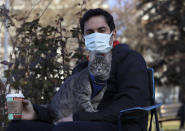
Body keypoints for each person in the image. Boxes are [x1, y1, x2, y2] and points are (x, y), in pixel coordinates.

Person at [6, 8, 150, 131]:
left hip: (119, 125)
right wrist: (35, 112)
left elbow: (132, 102)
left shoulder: (130, 59)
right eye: (90, 32)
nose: (96, 36)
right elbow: (63, 106)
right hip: (80, 123)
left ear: (113, 34)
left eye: (101, 30)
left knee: (65, 129)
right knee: (19, 126)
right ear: (84, 39)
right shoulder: (82, 68)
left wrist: (78, 118)